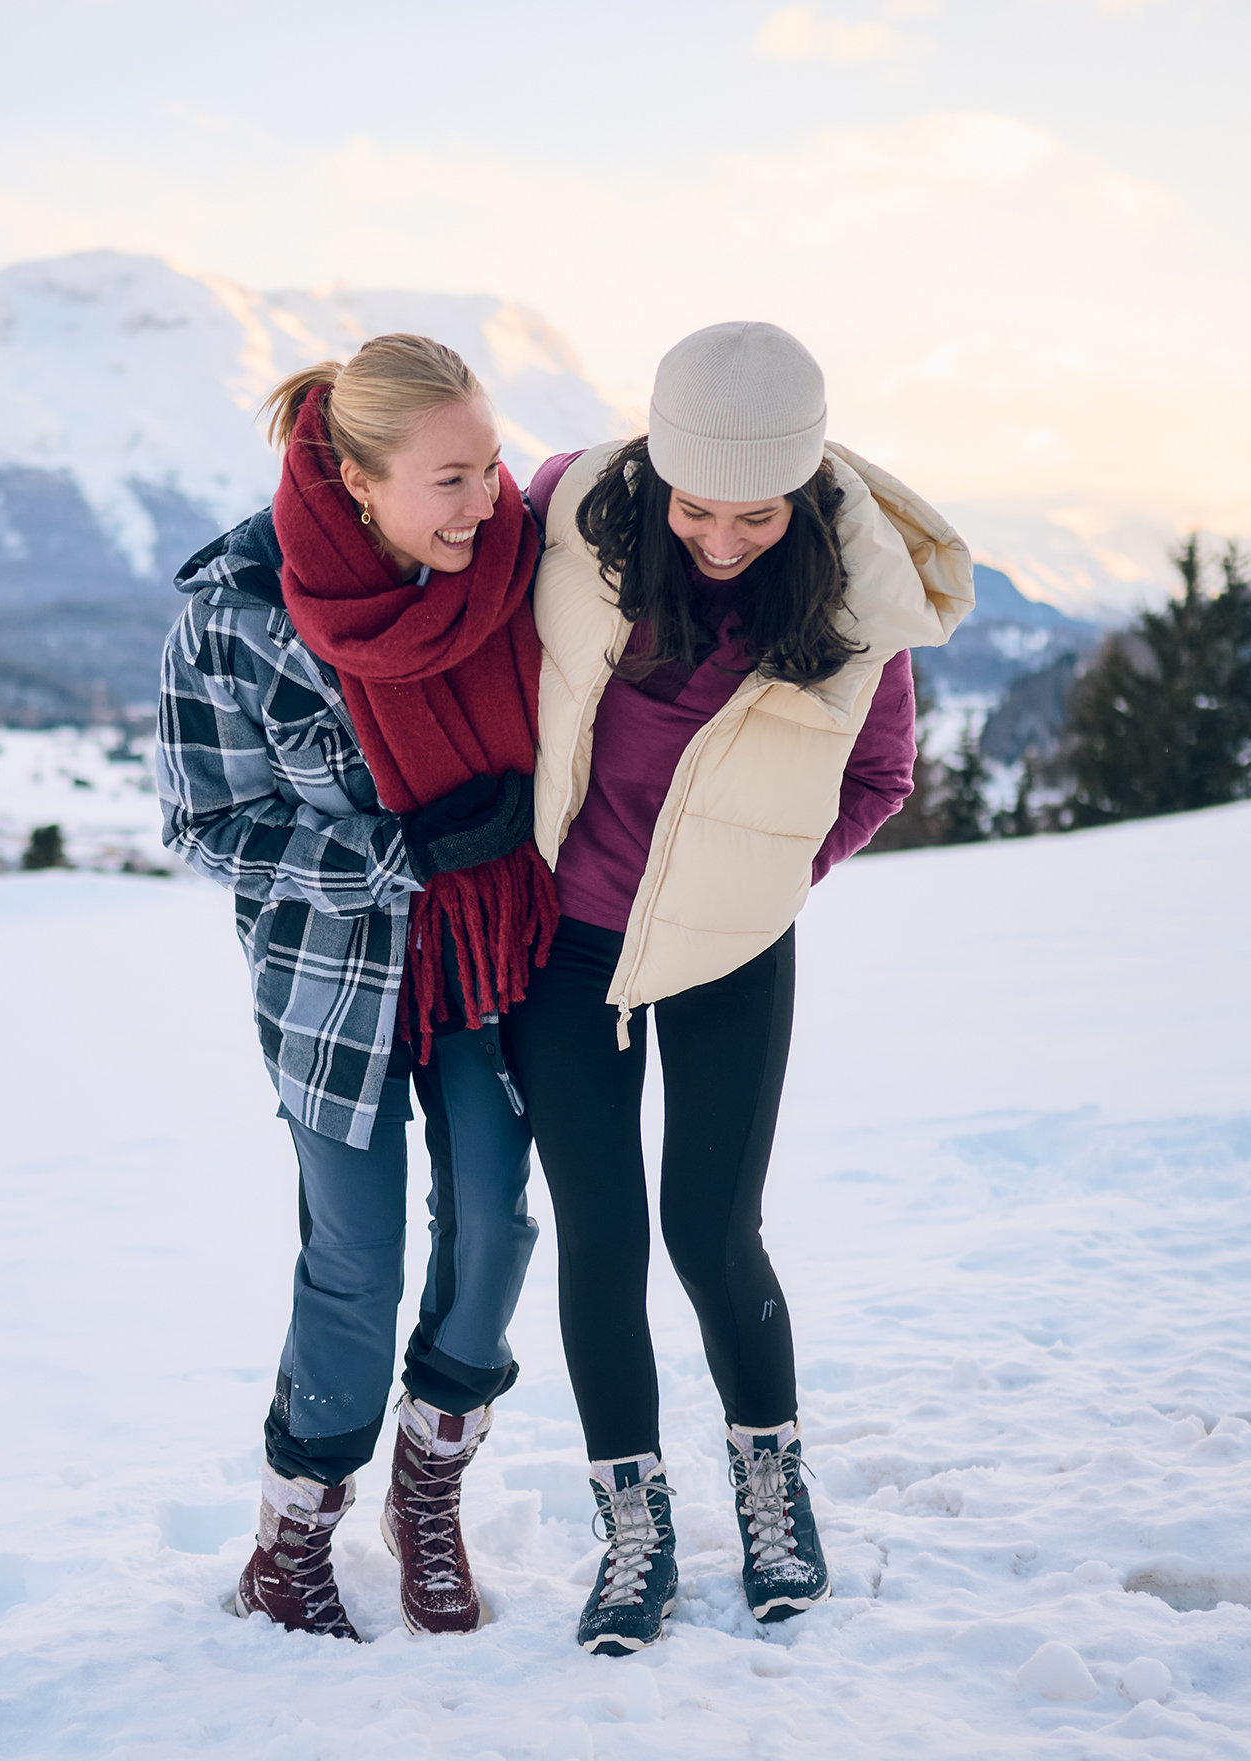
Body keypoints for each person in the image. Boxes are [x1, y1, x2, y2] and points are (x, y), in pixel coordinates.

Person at [503, 321, 973, 1655]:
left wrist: (758, 881)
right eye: (695, 509)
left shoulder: (849, 604)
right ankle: (633, 1526)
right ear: (654, 471)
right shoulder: (573, 522)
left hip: (728, 947)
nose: (718, 541)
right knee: (597, 1236)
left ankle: (772, 1487)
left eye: (753, 516)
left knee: (712, 1230)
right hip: (570, 944)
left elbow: (876, 780)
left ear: (805, 491)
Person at [154, 335, 558, 1641]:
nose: (484, 500)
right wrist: (399, 852)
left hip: (485, 959)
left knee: (495, 1221)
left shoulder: (509, 569)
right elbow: (209, 825)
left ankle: (427, 1492)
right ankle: (291, 1536)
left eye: (490, 464)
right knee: (354, 1261)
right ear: (358, 476)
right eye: (447, 478)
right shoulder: (234, 611)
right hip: (334, 978)